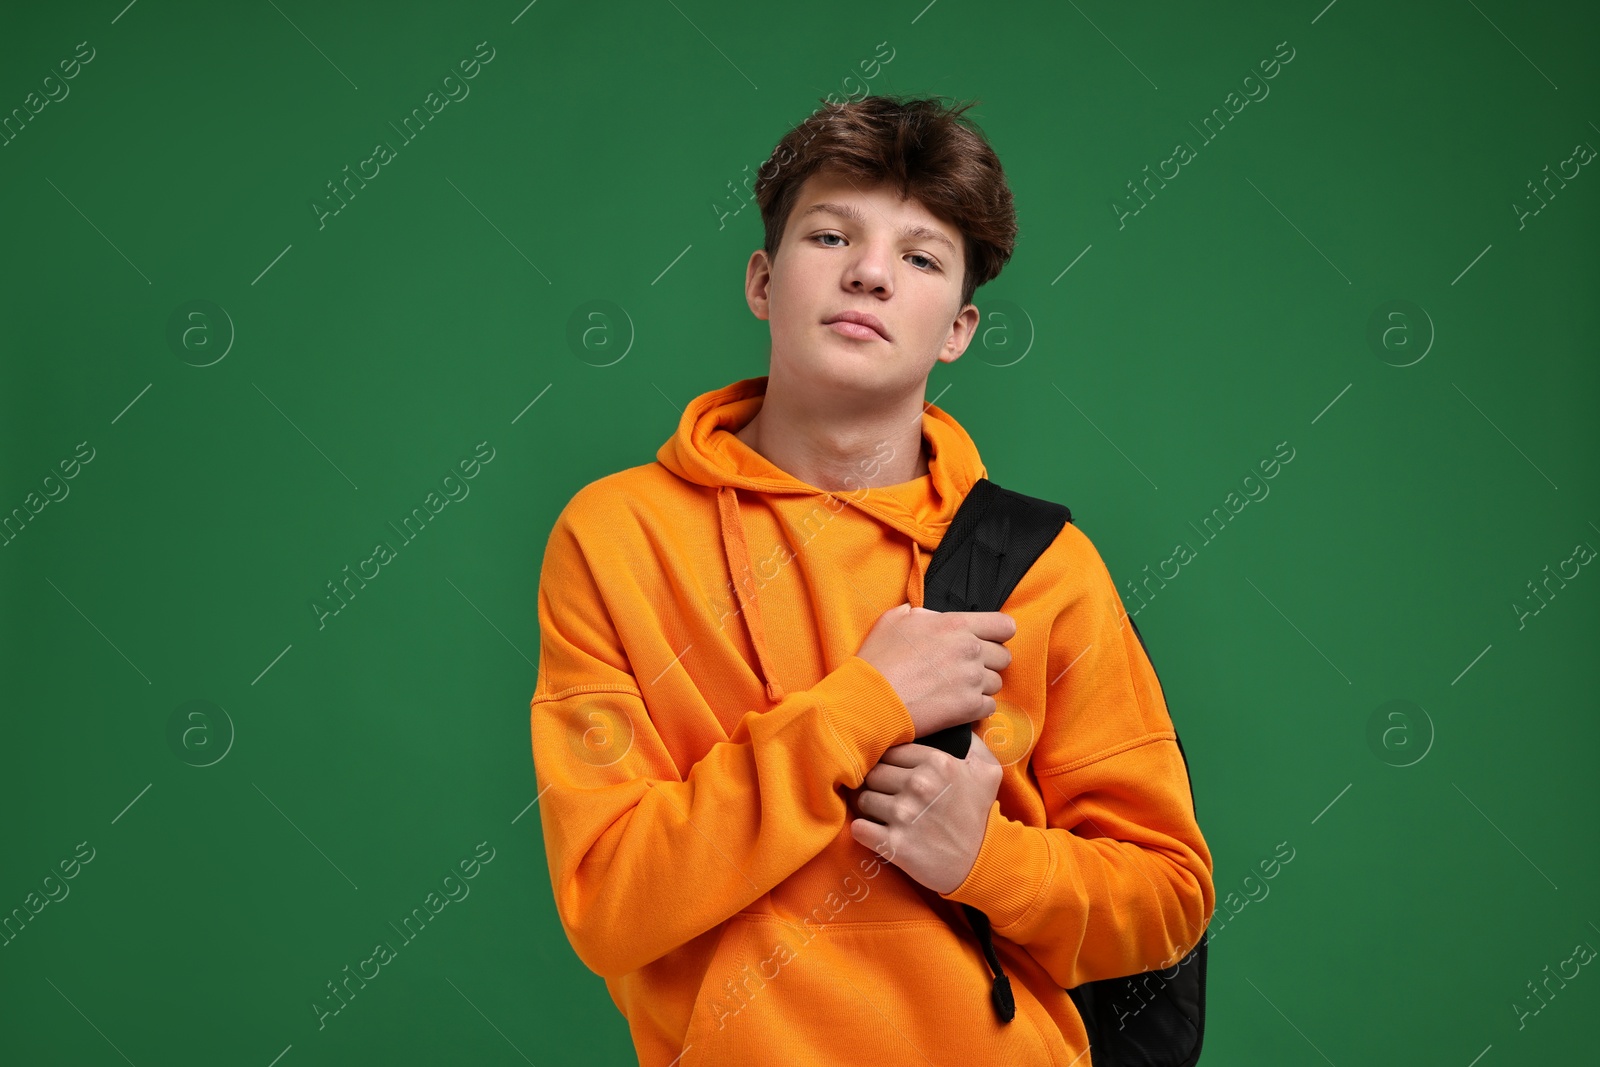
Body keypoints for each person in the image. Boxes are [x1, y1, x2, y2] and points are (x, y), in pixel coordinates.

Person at [530, 94, 1214, 1066]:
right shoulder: (616, 535)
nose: (869, 272)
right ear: (763, 280)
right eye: (829, 234)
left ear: (958, 331)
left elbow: (1168, 899)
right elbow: (609, 901)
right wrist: (864, 705)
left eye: (922, 257)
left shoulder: (1040, 566)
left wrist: (988, 858)